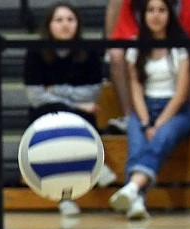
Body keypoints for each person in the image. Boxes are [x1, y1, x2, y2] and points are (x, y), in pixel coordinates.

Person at [23, 2, 117, 217]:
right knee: (55, 111)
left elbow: (91, 93)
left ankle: (95, 164)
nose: (65, 24)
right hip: (45, 117)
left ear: (77, 24)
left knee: (72, 114)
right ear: (49, 25)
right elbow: (36, 96)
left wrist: (55, 89)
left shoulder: (90, 51)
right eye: (59, 20)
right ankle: (65, 197)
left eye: (70, 19)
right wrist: (74, 101)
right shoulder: (35, 52)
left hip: (81, 118)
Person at [109, 0, 190, 219]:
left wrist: (157, 124)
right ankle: (137, 200)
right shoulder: (136, 46)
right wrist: (145, 121)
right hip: (145, 108)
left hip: (176, 110)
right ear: (143, 15)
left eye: (161, 10)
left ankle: (132, 188)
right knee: (137, 140)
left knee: (163, 136)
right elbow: (136, 90)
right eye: (151, 10)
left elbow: (181, 95)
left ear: (170, 15)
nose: (156, 16)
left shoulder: (180, 47)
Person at [105, 0, 190, 133]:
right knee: (116, 53)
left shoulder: (186, 3)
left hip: (177, 51)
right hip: (144, 50)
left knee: (189, 54)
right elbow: (122, 36)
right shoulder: (130, 4)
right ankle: (129, 117)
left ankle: (189, 116)